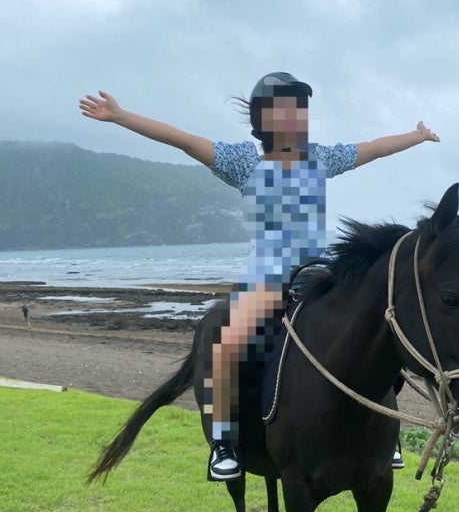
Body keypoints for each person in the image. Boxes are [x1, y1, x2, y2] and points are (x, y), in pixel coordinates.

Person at [80, 72, 439, 481]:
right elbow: (181, 139)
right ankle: (222, 443)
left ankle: (384, 434)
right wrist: (120, 116)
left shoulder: (320, 158)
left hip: (320, 276)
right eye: (284, 109)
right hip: (265, 278)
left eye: (300, 109)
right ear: (263, 119)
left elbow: (374, 149)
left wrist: (415, 135)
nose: (295, 117)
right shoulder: (243, 162)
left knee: (379, 330)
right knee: (225, 348)